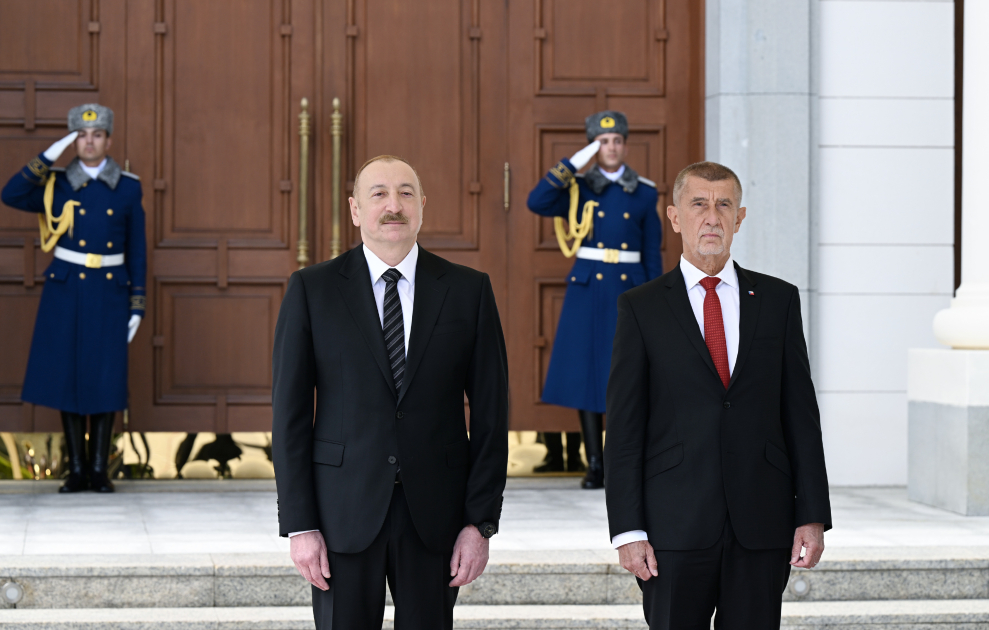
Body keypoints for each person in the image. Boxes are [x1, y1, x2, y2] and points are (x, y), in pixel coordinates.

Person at [271, 155, 509, 629]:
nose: (393, 205)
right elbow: (290, 416)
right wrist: (300, 524)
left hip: (436, 516)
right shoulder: (312, 289)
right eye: (378, 194)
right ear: (355, 210)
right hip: (341, 513)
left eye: (405, 193)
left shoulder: (469, 290)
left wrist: (479, 522)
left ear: (422, 206)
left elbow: (491, 415)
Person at [604, 162, 832, 628]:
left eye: (724, 205)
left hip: (761, 524)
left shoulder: (779, 300)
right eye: (699, 205)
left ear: (739, 218)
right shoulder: (641, 307)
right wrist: (627, 530)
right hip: (672, 528)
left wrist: (811, 514)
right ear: (674, 217)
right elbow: (625, 428)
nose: (712, 217)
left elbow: (801, 417)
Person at [1, 104, 146, 494]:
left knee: (106, 378)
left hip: (109, 291)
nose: (89, 142)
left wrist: (137, 302)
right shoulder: (57, 183)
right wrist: (49, 156)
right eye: (81, 135)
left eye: (97, 134)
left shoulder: (128, 187)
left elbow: (137, 249)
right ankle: (76, 470)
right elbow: (11, 193)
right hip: (66, 290)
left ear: (108, 140)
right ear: (72, 141)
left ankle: (99, 470)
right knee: (68, 376)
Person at [527, 110, 663, 488]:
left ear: (625, 145)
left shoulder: (644, 192)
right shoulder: (578, 187)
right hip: (588, 290)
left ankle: (621, 463)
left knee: (624, 377)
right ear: (593, 147)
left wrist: (657, 299)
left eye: (617, 141)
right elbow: (537, 201)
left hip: (628, 288)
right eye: (603, 142)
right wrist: (572, 165)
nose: (611, 148)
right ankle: (595, 464)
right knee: (587, 377)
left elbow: (652, 252)